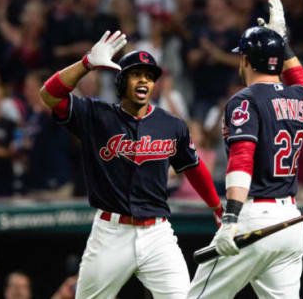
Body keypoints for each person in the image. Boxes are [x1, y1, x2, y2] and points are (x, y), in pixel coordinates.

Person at [39, 30, 223, 298]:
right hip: (111, 233)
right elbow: (49, 95)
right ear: (121, 81)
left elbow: (193, 167)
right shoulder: (95, 115)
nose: (144, 81)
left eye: (149, 76)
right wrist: (86, 64)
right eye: (137, 74)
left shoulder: (171, 125)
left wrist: (217, 206)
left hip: (158, 234)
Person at [187, 0, 303, 298]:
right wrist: (283, 42)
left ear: (244, 60)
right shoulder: (300, 98)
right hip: (290, 222)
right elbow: (301, 81)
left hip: (254, 218)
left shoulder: (245, 99)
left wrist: (230, 220)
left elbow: (242, 158)